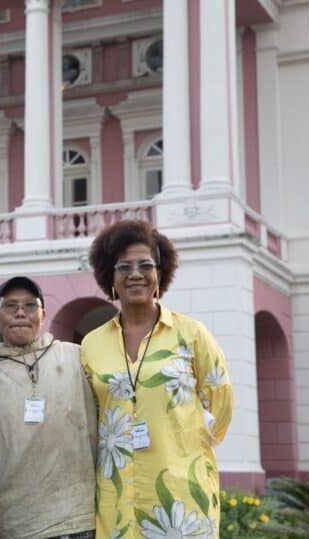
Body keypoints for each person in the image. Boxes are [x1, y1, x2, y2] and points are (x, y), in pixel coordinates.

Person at [82, 220, 233, 538]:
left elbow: (221, 406)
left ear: (160, 275)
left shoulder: (191, 335)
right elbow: (89, 414)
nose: (135, 274)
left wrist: (181, 445)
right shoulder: (91, 345)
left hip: (181, 500)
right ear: (110, 277)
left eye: (145, 265)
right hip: (116, 497)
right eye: (124, 267)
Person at [0, 276, 95, 539]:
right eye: (10, 306)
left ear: (43, 314)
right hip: (13, 524)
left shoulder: (75, 357)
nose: (20, 313)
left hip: (77, 519)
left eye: (30, 306)